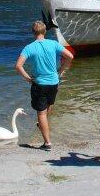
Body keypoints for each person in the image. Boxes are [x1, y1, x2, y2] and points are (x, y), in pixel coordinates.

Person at [15, 21, 74, 150]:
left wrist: (28, 78)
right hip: (54, 82)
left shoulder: (29, 47)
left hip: (39, 83)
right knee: (49, 106)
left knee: (41, 113)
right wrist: (61, 69)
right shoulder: (53, 44)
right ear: (45, 31)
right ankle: (43, 124)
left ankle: (47, 143)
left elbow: (18, 66)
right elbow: (70, 56)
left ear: (33, 33)